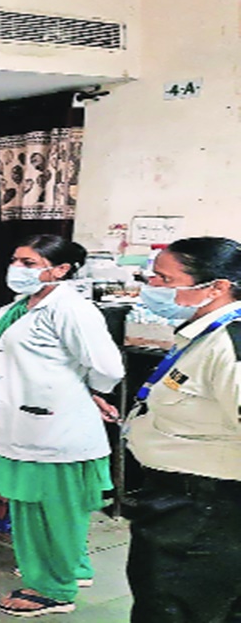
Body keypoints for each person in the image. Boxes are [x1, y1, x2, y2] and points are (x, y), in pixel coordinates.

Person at [0, 234, 124, 618]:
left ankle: (53, 590)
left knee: (49, 509)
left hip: (52, 427)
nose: (17, 269)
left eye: (28, 263)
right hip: (25, 421)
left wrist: (88, 390)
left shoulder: (71, 308)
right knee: (43, 507)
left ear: (60, 270)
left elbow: (108, 368)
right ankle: (71, 569)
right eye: (15, 260)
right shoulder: (20, 307)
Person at [124, 236, 241, 623]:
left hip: (206, 505)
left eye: (164, 279)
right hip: (178, 497)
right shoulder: (202, 333)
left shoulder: (231, 342)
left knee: (174, 604)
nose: (151, 286)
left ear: (217, 287)